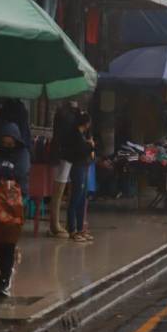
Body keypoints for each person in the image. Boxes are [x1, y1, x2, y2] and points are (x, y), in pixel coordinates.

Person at [0, 122, 29, 297]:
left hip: (11, 205)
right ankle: (6, 270)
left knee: (7, 243)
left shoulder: (22, 154)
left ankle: (4, 280)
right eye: (4, 142)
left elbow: (19, 174)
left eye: (10, 142)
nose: (7, 145)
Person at [62, 111, 95, 243]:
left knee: (82, 198)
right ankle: (72, 229)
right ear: (86, 123)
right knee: (76, 197)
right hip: (78, 167)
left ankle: (80, 228)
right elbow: (81, 149)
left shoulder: (82, 135)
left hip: (84, 166)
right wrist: (90, 145)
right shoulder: (75, 135)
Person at [48, 101, 79, 238]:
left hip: (64, 154)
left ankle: (59, 224)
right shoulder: (67, 116)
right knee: (60, 188)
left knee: (62, 188)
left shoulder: (64, 113)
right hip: (66, 154)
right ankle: (55, 225)